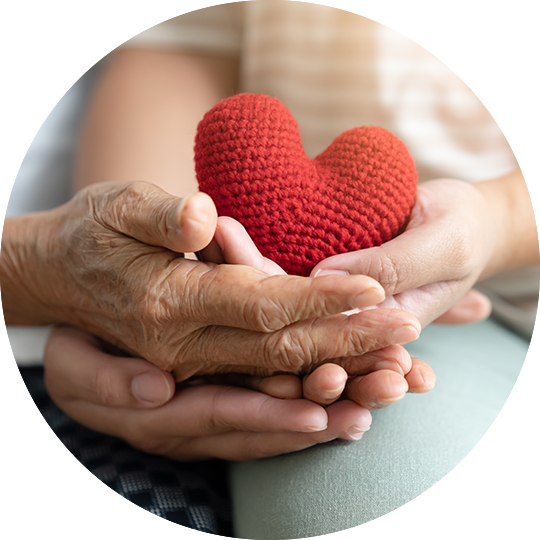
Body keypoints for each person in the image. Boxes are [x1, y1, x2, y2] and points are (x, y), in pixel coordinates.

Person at [46, 0, 539, 539]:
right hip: (395, 329)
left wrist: (500, 220)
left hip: (469, 282)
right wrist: (152, 277)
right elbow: (177, 49)